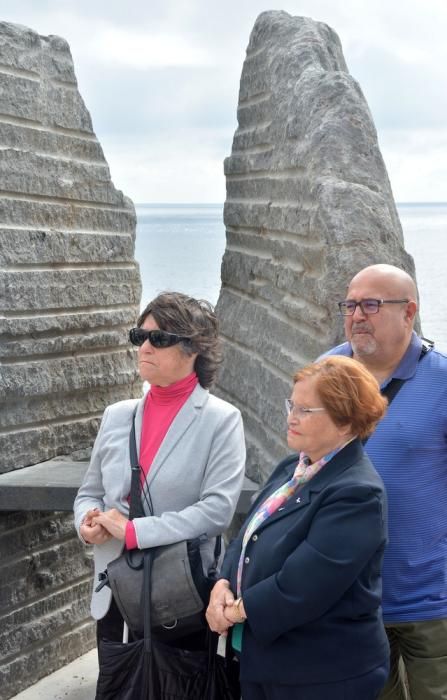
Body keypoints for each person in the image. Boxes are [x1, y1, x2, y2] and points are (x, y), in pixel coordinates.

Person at [74, 292, 246, 676]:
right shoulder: (117, 416)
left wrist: (135, 531)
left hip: (178, 596)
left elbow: (217, 511)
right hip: (115, 591)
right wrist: (87, 523)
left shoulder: (221, 420)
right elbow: (90, 493)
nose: (145, 347)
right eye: (140, 337)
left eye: (159, 338)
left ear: (193, 349)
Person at [207, 355, 389, 700]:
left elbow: (303, 586)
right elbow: (248, 535)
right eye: (292, 404)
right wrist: (222, 582)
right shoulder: (294, 466)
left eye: (307, 410)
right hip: (267, 662)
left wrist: (232, 612)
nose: (291, 417)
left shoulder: (358, 492)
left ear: (347, 421)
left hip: (322, 674)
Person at [326, 263, 447, 700]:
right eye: (351, 304)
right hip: (349, 598)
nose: (358, 314)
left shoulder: (443, 380)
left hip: (430, 602)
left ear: (409, 312)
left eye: (372, 304)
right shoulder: (326, 372)